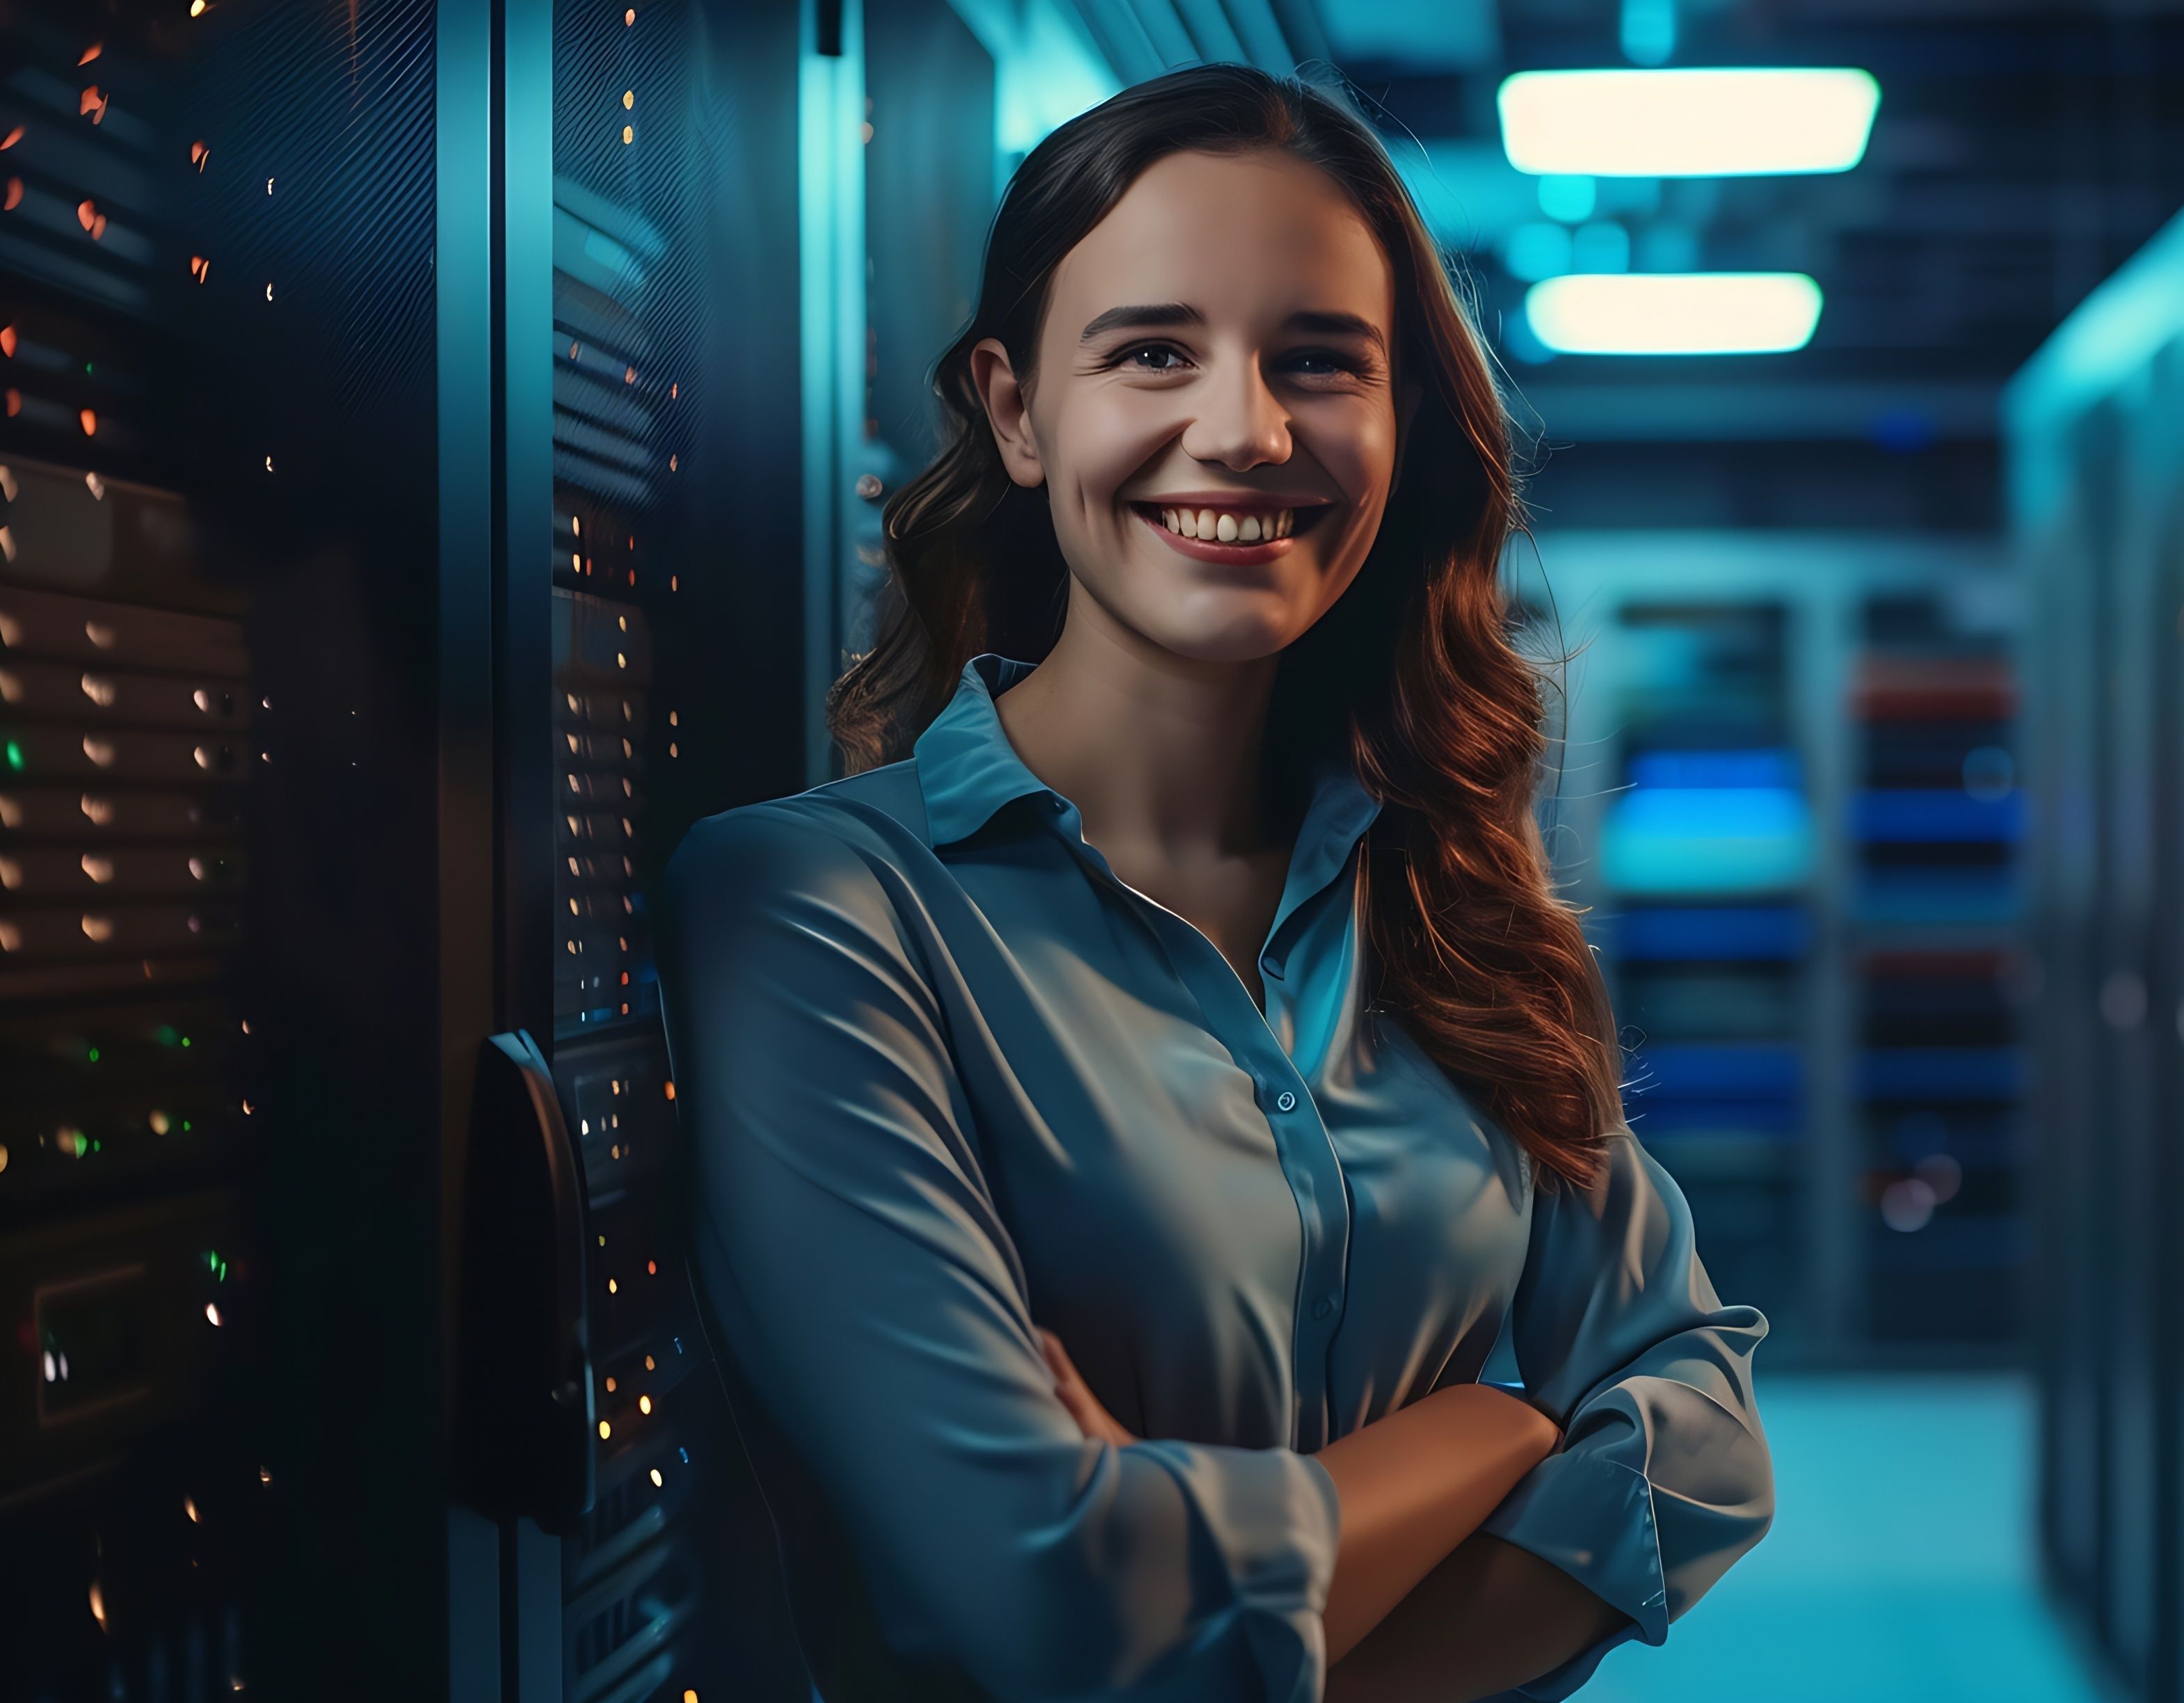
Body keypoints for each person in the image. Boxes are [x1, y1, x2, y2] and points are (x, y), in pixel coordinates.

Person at [655, 63, 1774, 1703]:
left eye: (1320, 360)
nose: (1245, 429)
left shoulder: (1450, 895)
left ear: (1399, 425)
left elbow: (1707, 1436)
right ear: (1020, 410)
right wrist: (1507, 1422)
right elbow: (1055, 1604)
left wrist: (1220, 1621)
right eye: (1153, 351)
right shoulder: (823, 912)